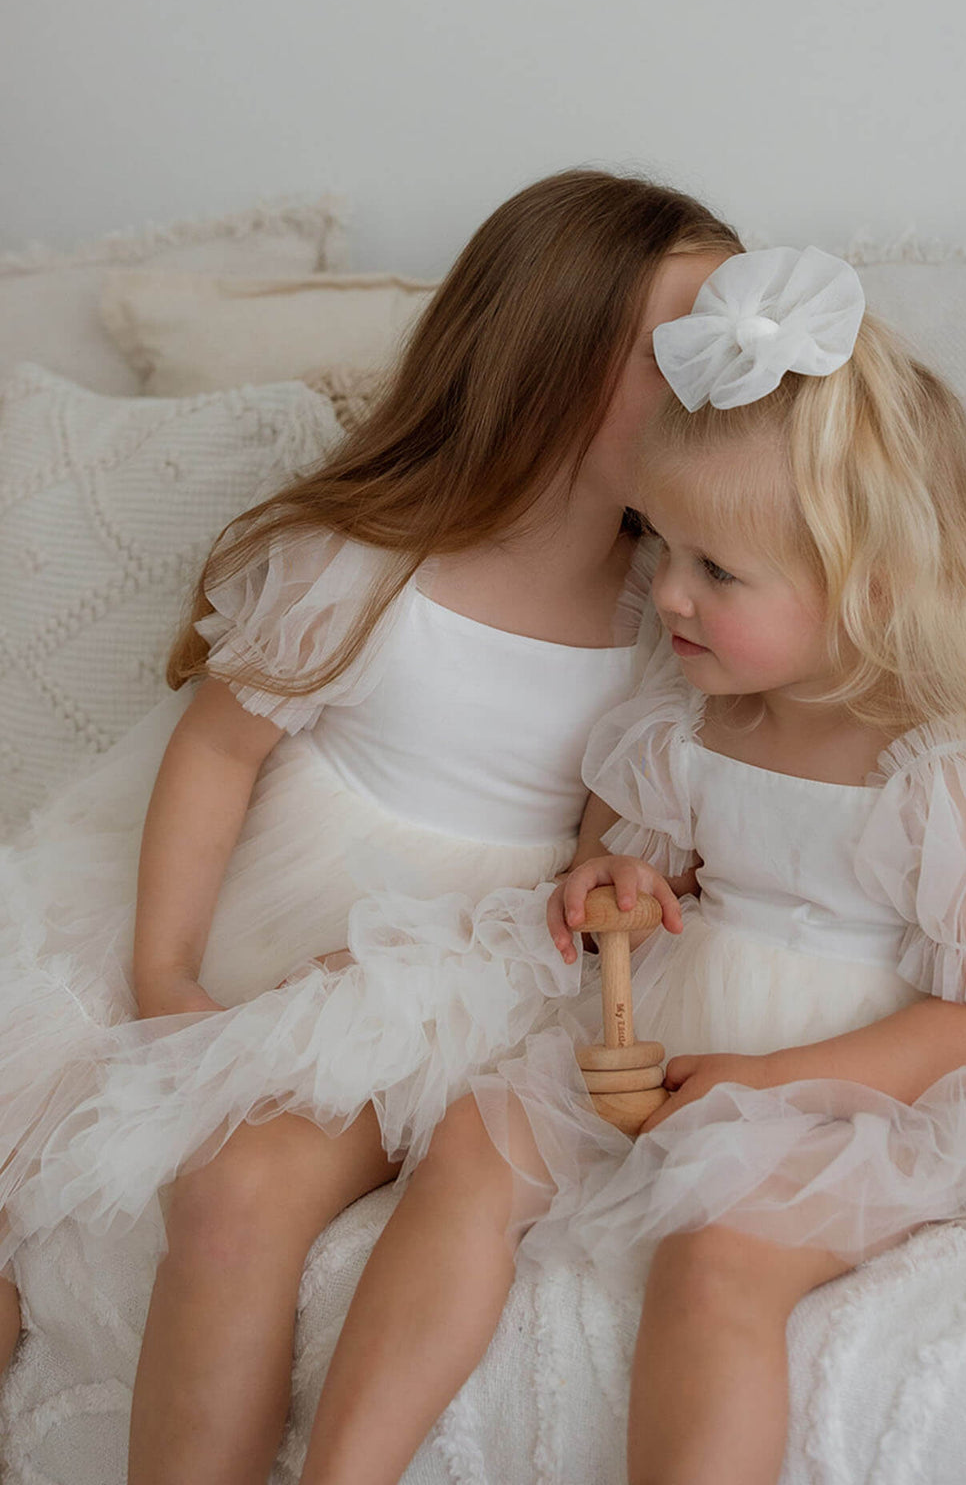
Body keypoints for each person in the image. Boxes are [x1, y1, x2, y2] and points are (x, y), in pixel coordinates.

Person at [291, 247, 966, 1485]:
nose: (665, 591)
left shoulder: (947, 781)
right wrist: (606, 890)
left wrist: (774, 1083)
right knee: (472, 1141)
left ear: (871, 587)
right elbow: (618, 868)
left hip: (856, 1089)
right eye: (659, 543)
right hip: (673, 1048)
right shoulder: (686, 728)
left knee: (720, 1252)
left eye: (717, 570)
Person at [0, 169, 740, 1484]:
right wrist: (166, 975)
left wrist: (609, 880)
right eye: (679, 353)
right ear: (550, 358)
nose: (717, 385)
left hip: (455, 971)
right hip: (261, 915)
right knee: (79, 1120)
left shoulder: (662, 609)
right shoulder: (371, 558)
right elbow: (219, 753)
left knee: (241, 1187)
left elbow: (601, 832)